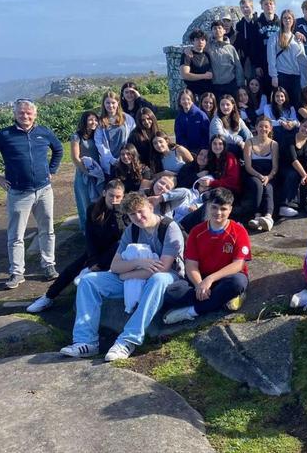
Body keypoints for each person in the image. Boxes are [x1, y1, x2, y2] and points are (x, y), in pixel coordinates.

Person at [59, 192, 184, 361]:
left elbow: (163, 267)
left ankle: (127, 340)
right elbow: (115, 266)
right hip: (134, 275)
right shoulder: (131, 231)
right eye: (132, 214)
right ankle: (86, 342)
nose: (138, 217)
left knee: (157, 279)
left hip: (168, 278)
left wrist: (126, 275)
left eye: (141, 211)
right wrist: (139, 262)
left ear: (150, 206)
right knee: (88, 281)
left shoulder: (169, 227)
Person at [27, 180, 128, 313]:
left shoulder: (125, 212)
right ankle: (48, 296)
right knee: (71, 269)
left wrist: (117, 212)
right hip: (97, 250)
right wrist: (93, 260)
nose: (114, 199)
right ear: (104, 193)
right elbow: (90, 236)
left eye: (118, 197)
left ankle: (92, 270)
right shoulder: (93, 209)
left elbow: (122, 236)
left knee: (119, 244)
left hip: (116, 254)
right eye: (111, 195)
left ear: (123, 196)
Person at [0, 99, 63, 289]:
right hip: (18, 193)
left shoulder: (44, 132)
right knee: (16, 235)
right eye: (21, 113)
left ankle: (49, 265)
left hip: (44, 190)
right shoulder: (4, 135)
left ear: (35, 114)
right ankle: (17, 272)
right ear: (15, 114)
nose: (25, 116)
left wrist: (52, 170)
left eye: (28, 113)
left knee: (47, 230)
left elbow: (58, 150)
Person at [162, 188, 252, 324]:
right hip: (201, 277)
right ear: (208, 207)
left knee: (237, 283)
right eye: (214, 207)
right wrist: (199, 285)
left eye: (223, 209)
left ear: (230, 209)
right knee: (172, 293)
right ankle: (223, 299)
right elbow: (191, 264)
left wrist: (210, 280)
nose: (218, 212)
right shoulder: (196, 231)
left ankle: (192, 311)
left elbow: (238, 264)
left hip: (226, 278)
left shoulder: (239, 231)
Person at [244, 116, 279, 231]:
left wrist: (268, 177)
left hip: (268, 175)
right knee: (258, 185)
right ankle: (257, 216)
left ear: (270, 129)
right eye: (260, 126)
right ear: (256, 127)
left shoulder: (274, 144)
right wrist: (259, 176)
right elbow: (248, 166)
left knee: (268, 188)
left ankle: (268, 217)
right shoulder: (249, 142)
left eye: (266, 127)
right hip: (253, 174)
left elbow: (275, 167)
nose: (263, 129)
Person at [268, 9, 307, 111]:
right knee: (282, 105)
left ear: (293, 20)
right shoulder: (274, 37)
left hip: (296, 76)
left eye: (289, 18)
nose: (287, 20)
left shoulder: (297, 39)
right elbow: (271, 58)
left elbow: (302, 61)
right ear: (281, 20)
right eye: (284, 18)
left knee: (296, 105)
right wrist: (274, 76)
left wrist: (303, 82)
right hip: (281, 75)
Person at [70, 110, 103, 234]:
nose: (93, 122)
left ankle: (99, 226)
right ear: (84, 121)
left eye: (95, 120)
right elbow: (74, 157)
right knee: (85, 201)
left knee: (99, 199)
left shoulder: (98, 134)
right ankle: (87, 230)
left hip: (98, 172)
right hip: (84, 173)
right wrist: (86, 171)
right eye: (90, 120)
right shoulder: (76, 136)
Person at [94, 90, 136, 175]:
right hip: (109, 162)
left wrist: (126, 155)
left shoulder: (127, 118)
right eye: (107, 103)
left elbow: (133, 136)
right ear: (104, 104)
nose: (110, 105)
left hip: (126, 159)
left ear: (118, 103)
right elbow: (99, 143)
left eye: (113, 102)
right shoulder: (100, 121)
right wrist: (112, 159)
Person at [206, 20, 244, 100]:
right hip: (214, 85)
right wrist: (187, 49)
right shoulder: (207, 47)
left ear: (224, 30)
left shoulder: (230, 48)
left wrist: (240, 84)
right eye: (214, 28)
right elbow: (197, 49)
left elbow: (238, 67)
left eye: (220, 28)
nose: (217, 30)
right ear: (211, 31)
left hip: (230, 84)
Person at [174, 89, 211, 155]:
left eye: (188, 99)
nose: (186, 101)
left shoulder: (200, 115)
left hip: (201, 151)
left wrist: (204, 148)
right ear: (180, 102)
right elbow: (179, 136)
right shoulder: (179, 118)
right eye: (183, 99)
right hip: (186, 151)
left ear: (192, 100)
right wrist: (184, 150)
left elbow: (206, 134)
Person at [254, 0, 281, 82]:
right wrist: (257, 65)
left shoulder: (281, 23)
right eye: (266, 4)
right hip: (263, 62)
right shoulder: (256, 24)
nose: (269, 6)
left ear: (274, 6)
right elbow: (254, 46)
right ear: (262, 7)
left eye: (271, 4)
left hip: (279, 62)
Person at [181, 29, 213, 100]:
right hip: (194, 94)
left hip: (208, 93)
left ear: (205, 42)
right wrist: (204, 76)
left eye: (202, 39)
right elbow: (185, 75)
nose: (200, 42)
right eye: (197, 39)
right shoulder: (187, 55)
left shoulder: (207, 54)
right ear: (193, 41)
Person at [233, 0, 259, 82]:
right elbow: (237, 42)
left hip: (259, 58)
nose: (245, 9)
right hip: (245, 59)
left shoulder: (259, 22)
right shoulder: (239, 25)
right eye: (242, 8)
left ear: (252, 7)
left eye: (247, 7)